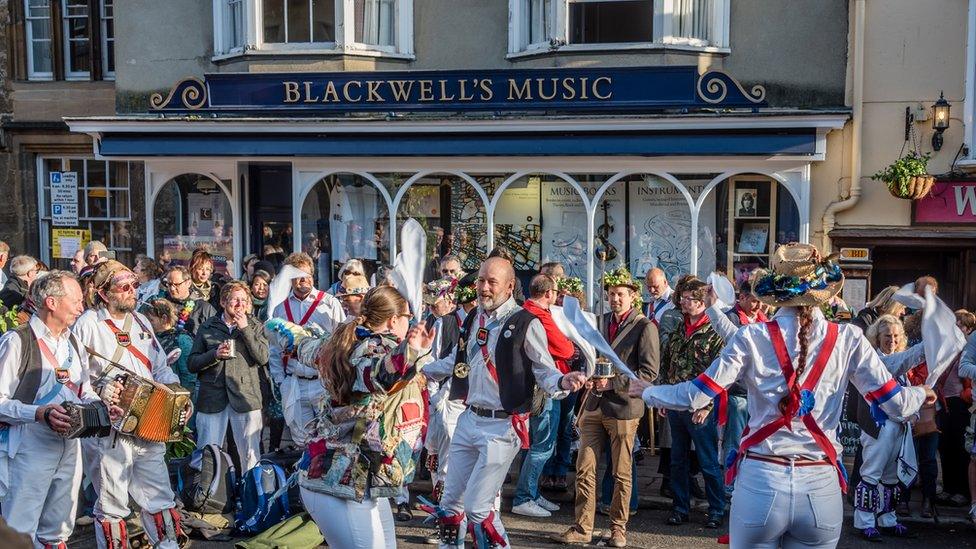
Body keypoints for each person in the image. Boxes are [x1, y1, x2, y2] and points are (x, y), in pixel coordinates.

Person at [630, 243, 933, 549]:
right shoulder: (848, 338)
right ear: (824, 293)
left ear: (775, 293)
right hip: (820, 487)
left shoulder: (753, 336)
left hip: (761, 481)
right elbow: (896, 403)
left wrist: (650, 391)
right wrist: (922, 392)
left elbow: (696, 395)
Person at [422, 257, 587, 548]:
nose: (483, 288)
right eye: (480, 281)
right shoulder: (473, 318)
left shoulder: (526, 322)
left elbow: (543, 368)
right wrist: (416, 369)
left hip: (502, 425)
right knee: (450, 503)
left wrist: (562, 382)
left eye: (491, 282)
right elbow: (455, 362)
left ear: (510, 286)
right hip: (468, 417)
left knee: (477, 508)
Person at [285, 286, 434, 548]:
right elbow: (375, 375)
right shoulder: (370, 349)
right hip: (338, 482)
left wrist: (284, 332)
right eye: (408, 316)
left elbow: (304, 345)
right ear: (393, 320)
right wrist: (408, 355)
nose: (410, 321)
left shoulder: (348, 341)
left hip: (360, 482)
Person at [0, 271, 122, 548]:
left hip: (70, 445)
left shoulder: (73, 342)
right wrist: (39, 413)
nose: (82, 306)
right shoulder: (17, 340)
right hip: (27, 447)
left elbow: (83, 390)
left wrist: (101, 406)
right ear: (52, 303)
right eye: (76, 300)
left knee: (59, 528)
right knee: (19, 529)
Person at [72, 260, 185, 549]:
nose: (132, 291)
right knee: (112, 503)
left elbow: (160, 367)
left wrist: (176, 393)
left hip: (149, 422)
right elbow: (76, 380)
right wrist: (102, 391)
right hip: (110, 431)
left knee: (159, 495)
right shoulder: (86, 325)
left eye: (134, 285)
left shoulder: (141, 321)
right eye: (124, 287)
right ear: (103, 292)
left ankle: (167, 545)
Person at [552, 268, 658, 547]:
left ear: (633, 297)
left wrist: (612, 384)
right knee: (584, 468)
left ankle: (617, 527)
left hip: (623, 407)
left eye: (620, 294)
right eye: (611, 294)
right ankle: (582, 526)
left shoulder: (644, 327)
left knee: (621, 472)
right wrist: (590, 379)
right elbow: (592, 358)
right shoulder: (599, 322)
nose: (615, 299)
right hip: (594, 405)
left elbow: (648, 374)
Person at [659, 277, 726, 528]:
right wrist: (664, 395)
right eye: (683, 298)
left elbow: (720, 373)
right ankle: (680, 507)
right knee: (678, 460)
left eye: (690, 299)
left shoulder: (715, 331)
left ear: (702, 303)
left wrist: (707, 404)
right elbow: (667, 364)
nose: (684, 303)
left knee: (708, 461)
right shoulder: (678, 328)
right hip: (677, 404)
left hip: (700, 407)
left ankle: (717, 509)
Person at [852, 314, 926, 540]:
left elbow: (905, 396)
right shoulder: (875, 360)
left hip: (898, 429)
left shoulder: (899, 364)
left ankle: (887, 519)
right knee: (871, 473)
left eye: (895, 336)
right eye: (887, 336)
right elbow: (900, 366)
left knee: (891, 477)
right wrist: (930, 342)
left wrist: (913, 413)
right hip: (878, 426)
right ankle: (864, 522)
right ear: (877, 336)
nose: (891, 341)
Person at [512, 275, 578, 519]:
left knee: (540, 444)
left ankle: (531, 491)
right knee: (542, 445)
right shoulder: (538, 315)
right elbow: (566, 349)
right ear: (549, 293)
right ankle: (524, 497)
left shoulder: (525, 311)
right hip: (545, 388)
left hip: (540, 386)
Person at [189, 281, 269, 472]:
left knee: (250, 453)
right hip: (212, 397)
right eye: (235, 299)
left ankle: (251, 495)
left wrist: (245, 329)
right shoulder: (208, 326)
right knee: (208, 452)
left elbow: (263, 357)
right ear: (224, 302)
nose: (240, 304)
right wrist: (214, 355)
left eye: (244, 300)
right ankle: (209, 496)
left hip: (245, 396)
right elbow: (192, 363)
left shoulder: (256, 326)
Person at [269, 252, 345, 445]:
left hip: (323, 382)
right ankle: (304, 475)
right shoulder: (280, 309)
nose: (303, 280)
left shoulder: (329, 303)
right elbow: (275, 350)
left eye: (307, 274)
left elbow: (343, 343)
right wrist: (282, 381)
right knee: (301, 439)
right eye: (297, 276)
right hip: (295, 383)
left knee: (329, 435)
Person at [144, 298, 195, 395]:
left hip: (175, 392)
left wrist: (183, 397)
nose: (148, 323)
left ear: (164, 318)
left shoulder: (181, 339)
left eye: (151, 320)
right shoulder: (151, 337)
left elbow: (189, 375)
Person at [157, 265, 218, 337]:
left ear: (188, 283)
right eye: (170, 284)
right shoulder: (161, 304)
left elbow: (216, 336)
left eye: (177, 284)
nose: (172, 288)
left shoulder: (203, 308)